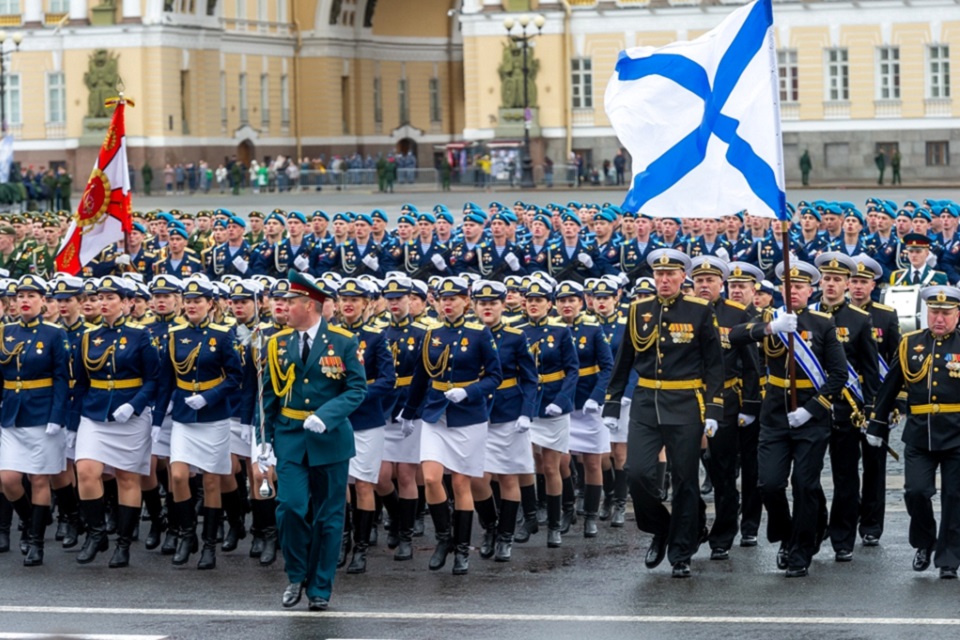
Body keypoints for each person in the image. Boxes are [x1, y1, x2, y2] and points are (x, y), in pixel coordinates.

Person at [602, 249, 724, 578]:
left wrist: (714, 406)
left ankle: (681, 551)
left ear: (683, 277)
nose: (664, 280)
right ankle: (662, 527)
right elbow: (624, 358)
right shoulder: (639, 308)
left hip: (686, 400)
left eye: (671, 274)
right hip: (645, 400)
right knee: (638, 472)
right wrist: (612, 402)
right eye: (659, 275)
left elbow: (714, 363)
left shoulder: (700, 310)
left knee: (685, 480)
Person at [728, 260, 848, 578]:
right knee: (768, 483)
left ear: (811, 290)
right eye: (788, 286)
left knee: (805, 485)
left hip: (811, 417)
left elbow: (838, 375)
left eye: (799, 287)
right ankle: (788, 533)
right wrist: (770, 329)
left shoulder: (823, 324)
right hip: (775, 416)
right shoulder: (770, 318)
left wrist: (812, 408)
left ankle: (799, 551)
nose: (793, 291)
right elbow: (735, 336)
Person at [262, 271, 367, 611]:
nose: (283, 307)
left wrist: (328, 414)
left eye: (290, 303)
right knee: (290, 506)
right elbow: (268, 395)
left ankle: (320, 587)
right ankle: (297, 574)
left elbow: (356, 388)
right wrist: (262, 438)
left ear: (309, 305)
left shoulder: (344, 341)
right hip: (290, 436)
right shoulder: (277, 342)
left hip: (330, 438)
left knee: (328, 516)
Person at [401, 276, 502, 574]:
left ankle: (461, 549)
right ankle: (443, 538)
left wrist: (469, 391)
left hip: (469, 415)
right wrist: (409, 412)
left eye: (454, 297)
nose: (448, 303)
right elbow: (421, 377)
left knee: (460, 482)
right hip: (436, 413)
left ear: (466, 301)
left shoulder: (480, 333)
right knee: (431, 478)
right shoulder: (431, 334)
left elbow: (495, 376)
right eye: (443, 298)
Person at [868, 285, 960, 578]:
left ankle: (949, 559)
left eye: (946, 313)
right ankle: (924, 542)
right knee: (916, 492)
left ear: (957, 315)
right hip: (919, 434)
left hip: (957, 434)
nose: (939, 319)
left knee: (954, 498)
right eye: (934, 312)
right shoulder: (910, 344)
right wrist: (876, 424)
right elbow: (890, 387)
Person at [153, 276, 242, 570]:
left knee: (212, 479)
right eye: (188, 301)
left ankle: (209, 546)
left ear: (210, 304)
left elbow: (235, 377)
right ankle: (186, 534)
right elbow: (165, 379)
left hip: (213, 416)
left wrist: (209, 397)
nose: (192, 306)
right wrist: (156, 420)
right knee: (178, 476)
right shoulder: (175, 334)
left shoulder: (223, 334)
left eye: (197, 301)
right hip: (183, 415)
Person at [72, 276, 159, 568]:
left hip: (130, 416)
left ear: (126, 303)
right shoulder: (87, 337)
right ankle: (96, 533)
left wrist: (134, 406)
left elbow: (153, 380)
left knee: (127, 477)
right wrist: (75, 421)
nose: (104, 303)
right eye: (100, 298)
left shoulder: (140, 335)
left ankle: (123, 543)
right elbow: (81, 383)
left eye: (111, 298)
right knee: (86, 470)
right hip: (95, 412)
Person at [689, 257, 761, 560]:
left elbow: (751, 366)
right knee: (685, 472)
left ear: (722, 284)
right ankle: (692, 526)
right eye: (699, 281)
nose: (704, 286)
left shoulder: (736, 313)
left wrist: (750, 404)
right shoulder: (684, 311)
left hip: (728, 403)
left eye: (710, 281)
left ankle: (723, 535)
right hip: (687, 400)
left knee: (722, 472)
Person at [812, 252, 880, 563]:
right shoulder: (805, 315)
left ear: (847, 284)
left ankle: (842, 537)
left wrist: (871, 409)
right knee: (806, 476)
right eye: (826, 278)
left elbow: (870, 370)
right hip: (812, 409)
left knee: (846, 477)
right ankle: (811, 529)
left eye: (837, 279)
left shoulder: (859, 319)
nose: (831, 284)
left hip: (845, 408)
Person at [0, 275, 70, 566]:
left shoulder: (55, 334)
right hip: (12, 414)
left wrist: (57, 416)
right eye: (20, 296)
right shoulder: (6, 332)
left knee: (39, 478)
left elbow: (61, 379)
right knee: (8, 479)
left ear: (44, 301)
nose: (24, 301)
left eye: (32, 296)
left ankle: (37, 542)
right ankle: (31, 523)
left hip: (42, 414)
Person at [471, 279, 537, 561]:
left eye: (493, 303)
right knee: (478, 478)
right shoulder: (469, 333)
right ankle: (490, 527)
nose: (488, 308)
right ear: (474, 306)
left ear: (502, 305)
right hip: (474, 412)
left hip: (508, 411)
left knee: (509, 476)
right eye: (482, 303)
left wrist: (526, 412)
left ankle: (505, 536)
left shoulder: (515, 336)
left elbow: (530, 379)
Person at [849, 255, 900, 546]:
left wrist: (896, 403)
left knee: (874, 466)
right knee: (844, 464)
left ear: (874, 284)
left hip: (876, 400)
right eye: (853, 281)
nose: (857, 287)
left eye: (863, 282)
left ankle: (871, 525)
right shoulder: (831, 314)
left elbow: (897, 360)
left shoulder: (885, 315)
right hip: (843, 398)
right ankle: (847, 514)